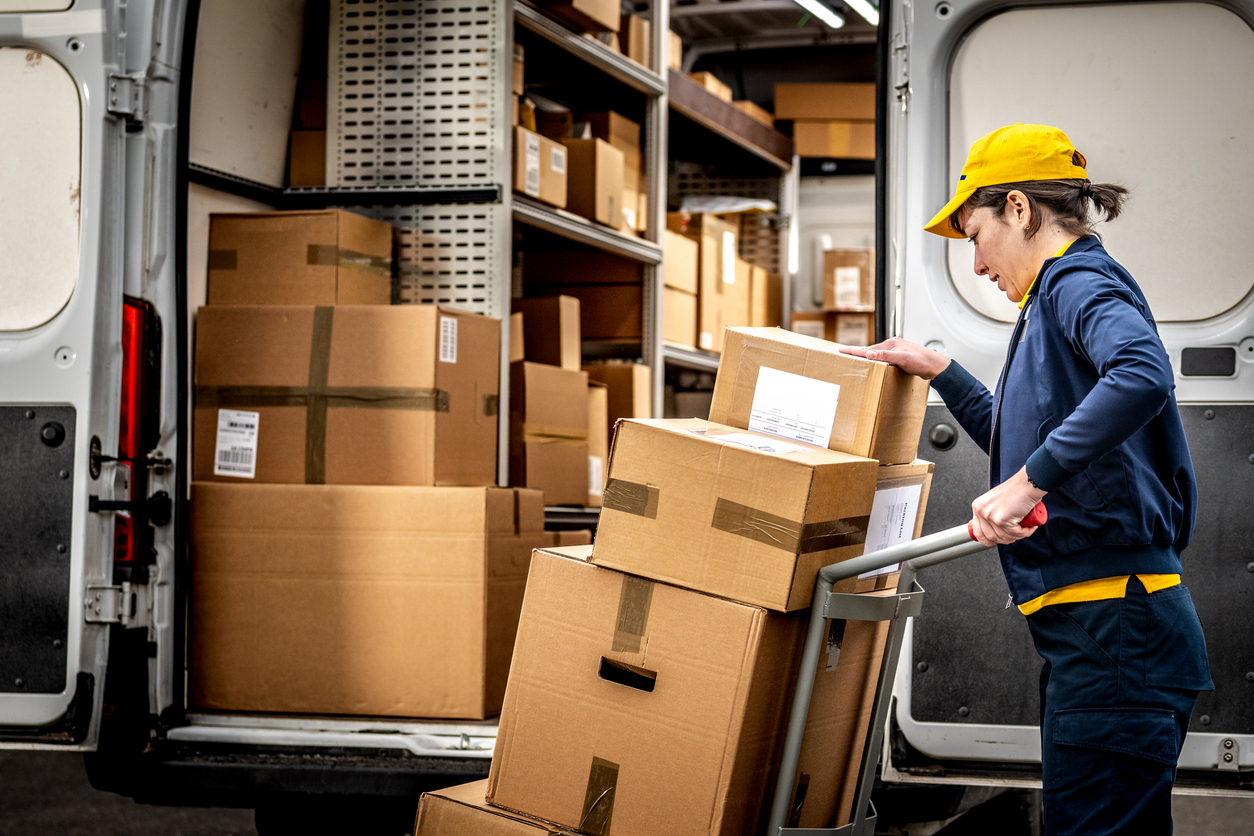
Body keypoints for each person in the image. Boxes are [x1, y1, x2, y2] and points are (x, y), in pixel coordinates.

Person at [843, 124, 1213, 835]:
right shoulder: (1051, 302)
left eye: (975, 234)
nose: (977, 264)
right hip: (1099, 632)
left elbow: (1141, 373)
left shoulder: (1076, 282)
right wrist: (944, 373)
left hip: (1117, 633)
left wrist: (1029, 484)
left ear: (1018, 208)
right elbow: (1027, 445)